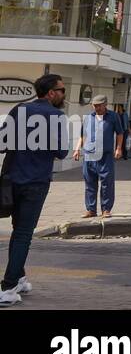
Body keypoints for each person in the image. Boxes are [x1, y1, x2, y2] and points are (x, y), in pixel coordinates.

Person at [1, 74, 70, 306]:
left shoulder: (20, 109)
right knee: (23, 234)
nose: (63, 94)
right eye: (61, 90)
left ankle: (18, 278)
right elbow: (61, 152)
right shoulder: (57, 117)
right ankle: (8, 289)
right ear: (50, 93)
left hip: (12, 180)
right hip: (36, 182)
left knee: (17, 231)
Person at [73, 94, 123, 218]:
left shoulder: (113, 117)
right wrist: (77, 149)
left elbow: (120, 133)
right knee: (90, 183)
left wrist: (118, 148)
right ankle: (91, 210)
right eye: (94, 106)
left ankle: (106, 209)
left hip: (105, 156)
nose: (96, 108)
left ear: (105, 105)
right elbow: (83, 135)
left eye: (99, 106)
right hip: (89, 156)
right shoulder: (88, 118)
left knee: (107, 183)